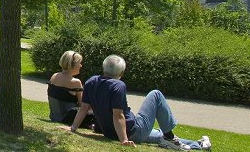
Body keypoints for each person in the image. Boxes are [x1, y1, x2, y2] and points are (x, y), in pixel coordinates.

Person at [69, 54, 211, 150]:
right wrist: (124, 140)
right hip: (132, 130)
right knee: (155, 94)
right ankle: (170, 136)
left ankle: (200, 145)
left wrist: (73, 128)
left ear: (104, 68)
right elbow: (118, 115)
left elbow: (84, 108)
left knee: (160, 135)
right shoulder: (118, 85)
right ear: (121, 73)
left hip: (111, 132)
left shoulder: (91, 81)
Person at [48, 51, 95, 128]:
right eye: (79, 63)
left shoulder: (54, 76)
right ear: (72, 64)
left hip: (54, 117)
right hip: (69, 119)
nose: (81, 66)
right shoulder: (75, 82)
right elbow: (83, 105)